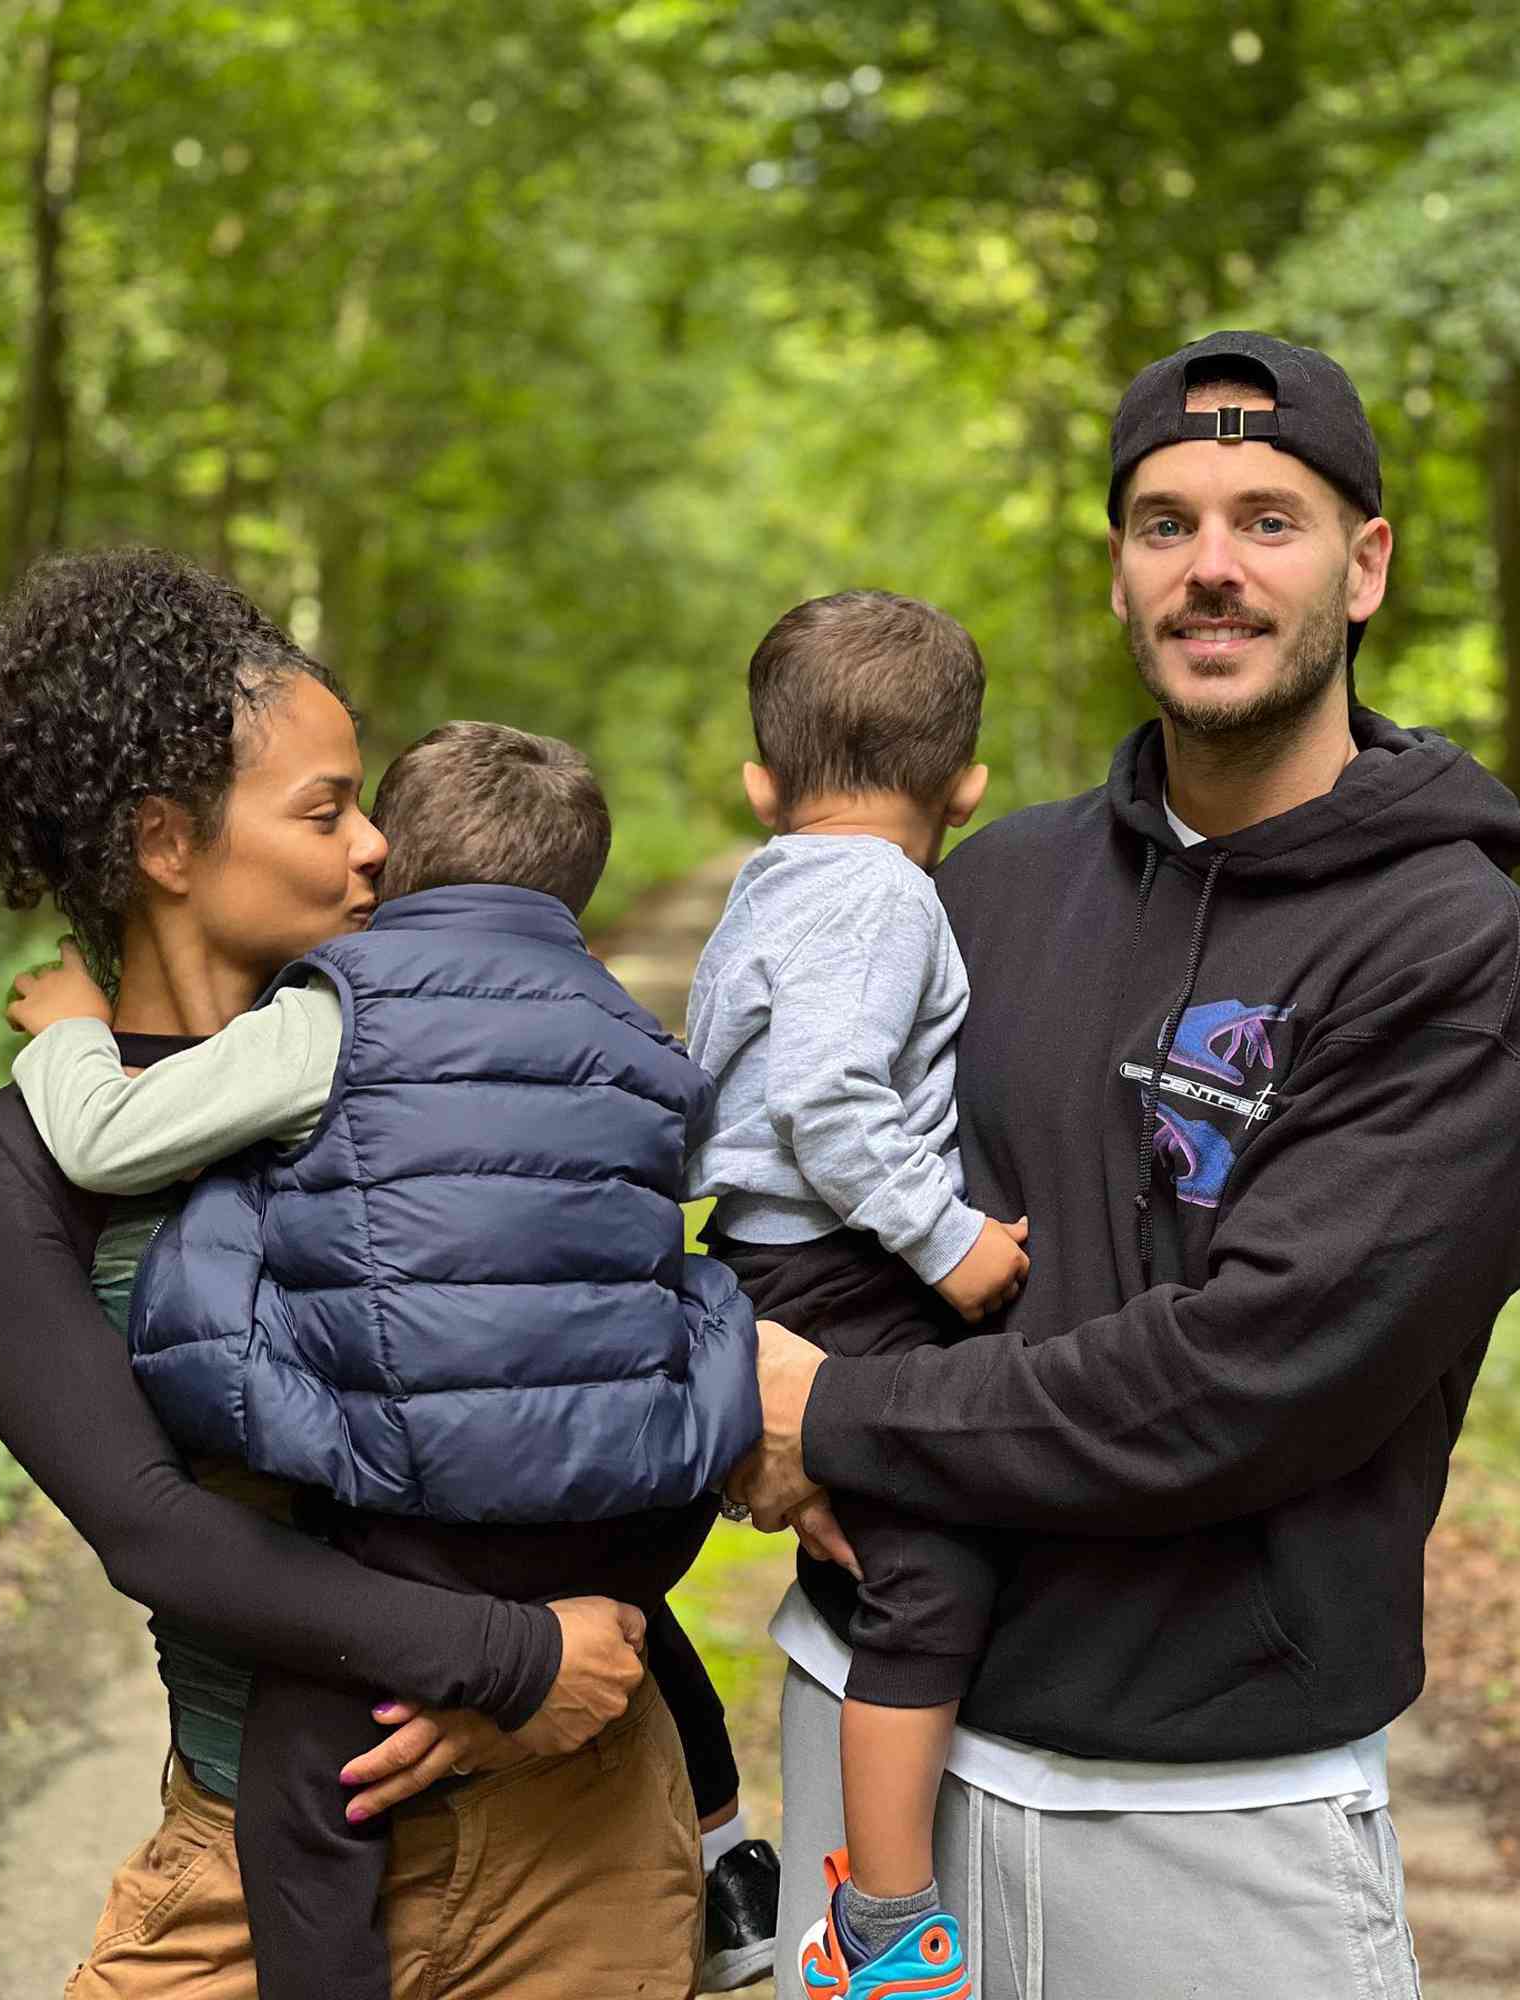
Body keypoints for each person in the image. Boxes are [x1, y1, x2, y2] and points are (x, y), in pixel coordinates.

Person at [731, 332, 1520, 1999]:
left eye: (1270, 518)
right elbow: (795, 1185)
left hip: (1210, 1799)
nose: (1215, 571)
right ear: (1118, 573)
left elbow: (1248, 1382)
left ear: (1366, 562)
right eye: (1165, 523)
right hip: (874, 1718)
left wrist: (832, 1417)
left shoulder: (1456, 953)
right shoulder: (989, 883)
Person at [0, 547, 704, 1997]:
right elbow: (156, 1529)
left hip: (574, 1839)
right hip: (255, 1870)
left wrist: (548, 1671)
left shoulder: (467, 1068)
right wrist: (505, 1658)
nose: (377, 846)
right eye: (328, 808)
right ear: (166, 845)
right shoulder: (5, 1168)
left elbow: (618, 1366)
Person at [684, 590, 1028, 1994]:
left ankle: (714, 1855)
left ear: (762, 783)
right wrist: (950, 1241)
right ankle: (886, 1925)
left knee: (866, 1510)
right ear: (969, 787)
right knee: (936, 1576)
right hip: (839, 1260)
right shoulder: (885, 891)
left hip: (764, 1257)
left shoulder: (767, 881)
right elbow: (831, 1099)